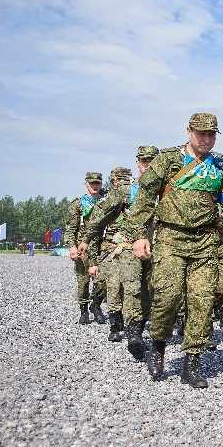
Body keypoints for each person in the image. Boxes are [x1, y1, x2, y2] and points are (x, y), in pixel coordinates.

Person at [124, 113, 223, 388]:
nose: (206, 139)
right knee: (167, 298)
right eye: (201, 133)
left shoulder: (221, 164)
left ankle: (191, 363)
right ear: (189, 132)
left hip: (205, 242)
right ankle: (158, 347)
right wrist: (137, 235)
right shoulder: (168, 159)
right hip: (170, 238)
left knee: (202, 303)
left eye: (211, 134)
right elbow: (144, 198)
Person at [79, 145, 160, 360]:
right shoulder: (126, 191)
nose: (149, 165)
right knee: (132, 287)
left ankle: (148, 326)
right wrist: (86, 239)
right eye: (145, 161)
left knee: (153, 292)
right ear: (138, 163)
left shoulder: (167, 191)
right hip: (128, 248)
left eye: (153, 161)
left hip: (159, 249)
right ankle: (135, 334)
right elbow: (100, 215)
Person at [80, 166, 134, 343]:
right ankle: (115, 326)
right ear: (114, 182)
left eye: (127, 180)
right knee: (112, 288)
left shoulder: (137, 197)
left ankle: (130, 325)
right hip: (110, 250)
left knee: (130, 289)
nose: (124, 184)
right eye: (121, 180)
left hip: (131, 248)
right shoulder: (109, 199)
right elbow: (96, 230)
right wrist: (93, 259)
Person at [63, 172, 107, 325]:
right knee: (83, 282)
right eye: (92, 183)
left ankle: (96, 305)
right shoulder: (79, 203)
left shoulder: (107, 202)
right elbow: (70, 228)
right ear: (86, 184)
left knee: (103, 281)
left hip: (102, 246)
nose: (95, 185)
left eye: (98, 183)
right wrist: (72, 247)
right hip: (83, 248)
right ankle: (84, 310)